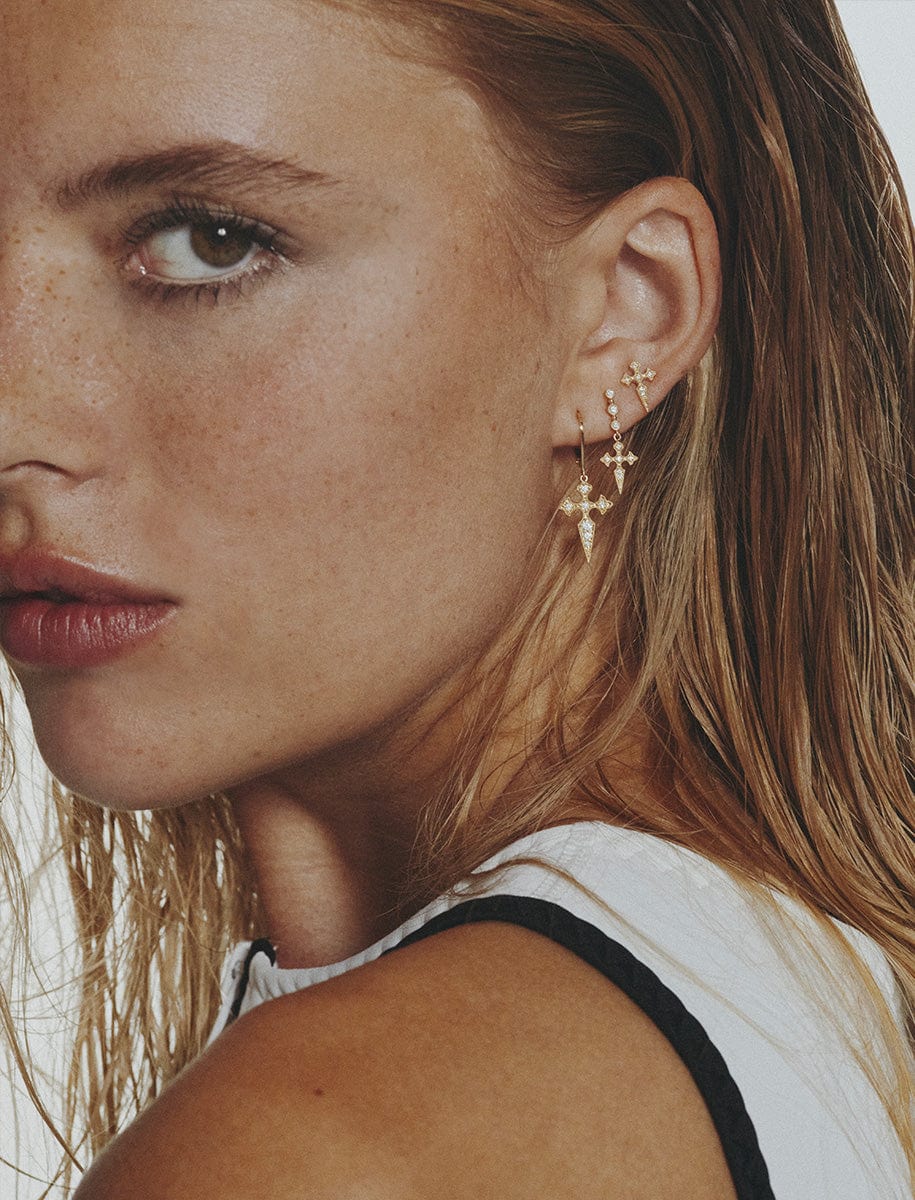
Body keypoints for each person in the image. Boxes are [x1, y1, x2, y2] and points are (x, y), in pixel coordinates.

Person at [0, 0, 912, 1196]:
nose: (15, 418)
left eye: (210, 241)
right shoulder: (821, 1003)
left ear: (625, 311)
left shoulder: (320, 1152)